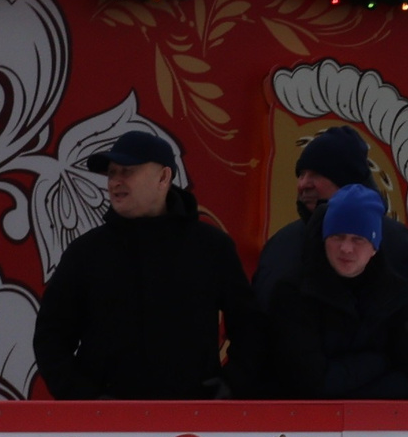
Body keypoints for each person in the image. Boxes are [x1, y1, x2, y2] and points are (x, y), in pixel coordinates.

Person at [33, 129, 267, 399]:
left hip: (192, 425)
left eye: (127, 171)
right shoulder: (85, 253)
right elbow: (51, 337)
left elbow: (250, 326)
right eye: (111, 173)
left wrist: (229, 386)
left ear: (164, 177)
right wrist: (88, 400)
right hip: (106, 430)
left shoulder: (211, 247)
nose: (115, 182)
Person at [263, 185, 408, 399]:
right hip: (302, 428)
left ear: (374, 247)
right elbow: (309, 383)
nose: (346, 248)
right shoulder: (293, 292)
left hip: (381, 426)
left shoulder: (396, 294)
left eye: (358, 239)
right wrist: (381, 360)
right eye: (337, 236)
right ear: (324, 239)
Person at [251, 125, 408, 308]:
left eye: (316, 174)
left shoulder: (401, 247)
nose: (303, 184)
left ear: (346, 181)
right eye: (302, 174)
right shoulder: (280, 245)